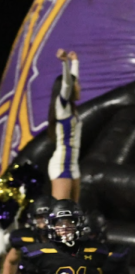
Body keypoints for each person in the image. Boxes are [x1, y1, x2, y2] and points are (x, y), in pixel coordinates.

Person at [48, 50, 83, 202]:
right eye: (78, 86)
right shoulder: (61, 107)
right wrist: (65, 63)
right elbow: (68, 83)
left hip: (73, 164)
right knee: (61, 216)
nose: (79, 87)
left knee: (74, 214)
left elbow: (72, 80)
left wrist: (75, 62)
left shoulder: (71, 107)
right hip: (61, 165)